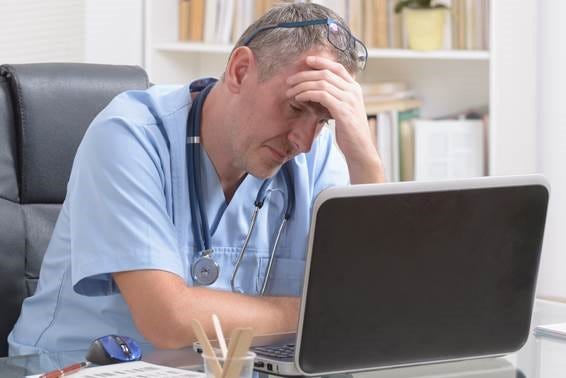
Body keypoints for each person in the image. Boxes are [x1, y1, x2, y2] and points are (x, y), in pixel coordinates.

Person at [8, 3, 383, 355]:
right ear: (239, 71)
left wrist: (364, 157)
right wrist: (322, 313)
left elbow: (380, 299)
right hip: (83, 367)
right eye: (295, 107)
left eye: (322, 120)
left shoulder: (313, 157)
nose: (302, 141)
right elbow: (168, 320)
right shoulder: (129, 134)